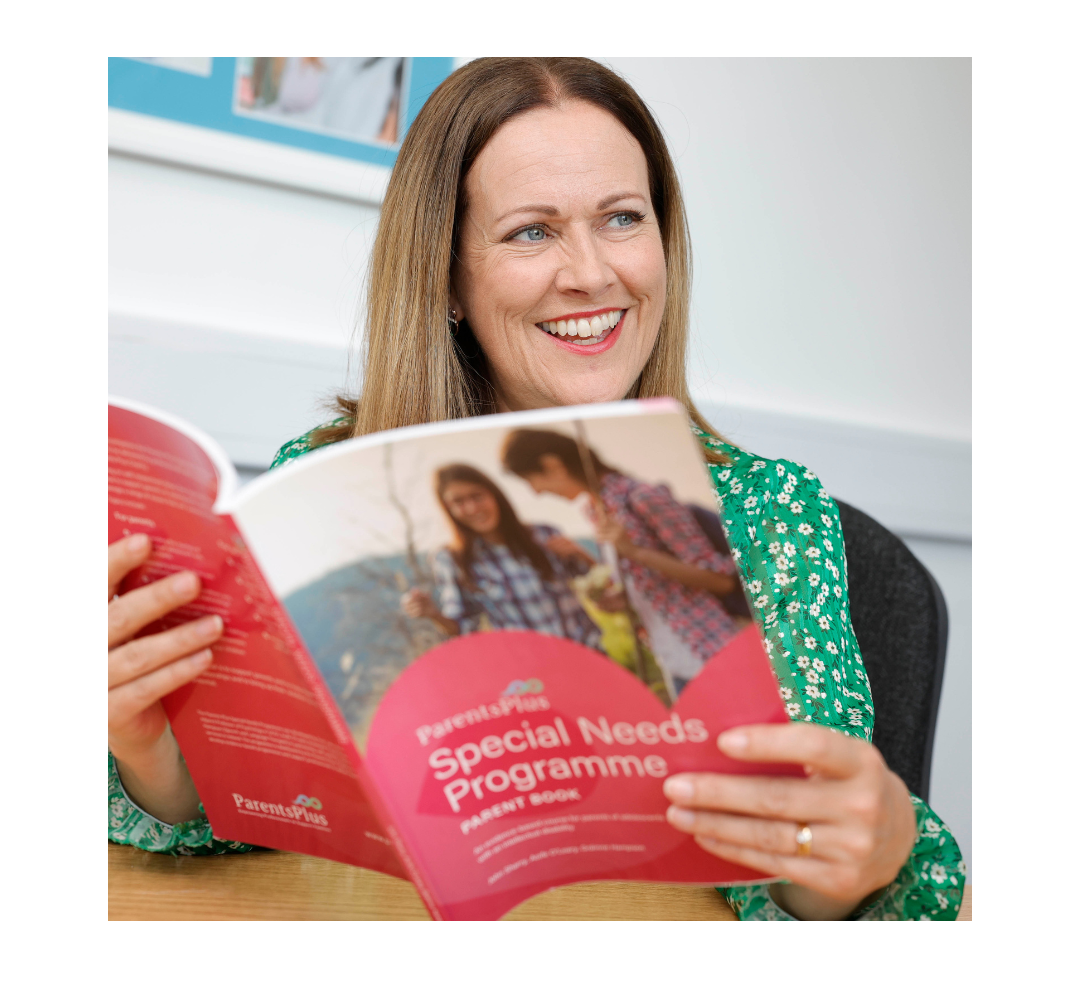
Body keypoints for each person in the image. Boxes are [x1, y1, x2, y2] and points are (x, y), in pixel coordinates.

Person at [108, 57, 964, 919]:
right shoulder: (320, 492)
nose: (592, 273)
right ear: (447, 277)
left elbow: (806, 888)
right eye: (531, 232)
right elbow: (244, 812)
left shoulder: (770, 519)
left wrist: (861, 853)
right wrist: (150, 751)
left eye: (622, 219)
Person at [501, 428, 743, 696]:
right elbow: (657, 589)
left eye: (530, 480)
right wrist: (620, 601)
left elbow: (720, 581)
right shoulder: (596, 510)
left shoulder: (641, 497)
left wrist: (636, 552)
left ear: (552, 465)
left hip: (712, 652)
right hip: (673, 661)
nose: (535, 492)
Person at [400, 463, 601, 648]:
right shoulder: (452, 560)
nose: (472, 508)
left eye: (477, 496)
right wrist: (433, 614)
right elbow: (461, 628)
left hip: (586, 654)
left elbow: (601, 585)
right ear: (448, 509)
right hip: (532, 671)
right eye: (458, 502)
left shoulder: (543, 535)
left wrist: (581, 554)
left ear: (494, 495)